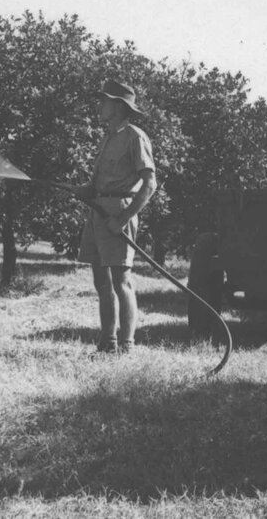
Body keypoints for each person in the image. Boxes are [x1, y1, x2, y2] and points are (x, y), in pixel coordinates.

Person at [72, 79, 157, 355]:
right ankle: (107, 342)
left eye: (104, 101)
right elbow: (103, 180)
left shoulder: (135, 136)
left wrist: (123, 218)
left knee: (121, 281)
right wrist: (86, 191)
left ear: (118, 107)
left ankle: (127, 345)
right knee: (101, 281)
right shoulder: (109, 136)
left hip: (118, 212)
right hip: (98, 210)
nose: (100, 106)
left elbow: (149, 184)